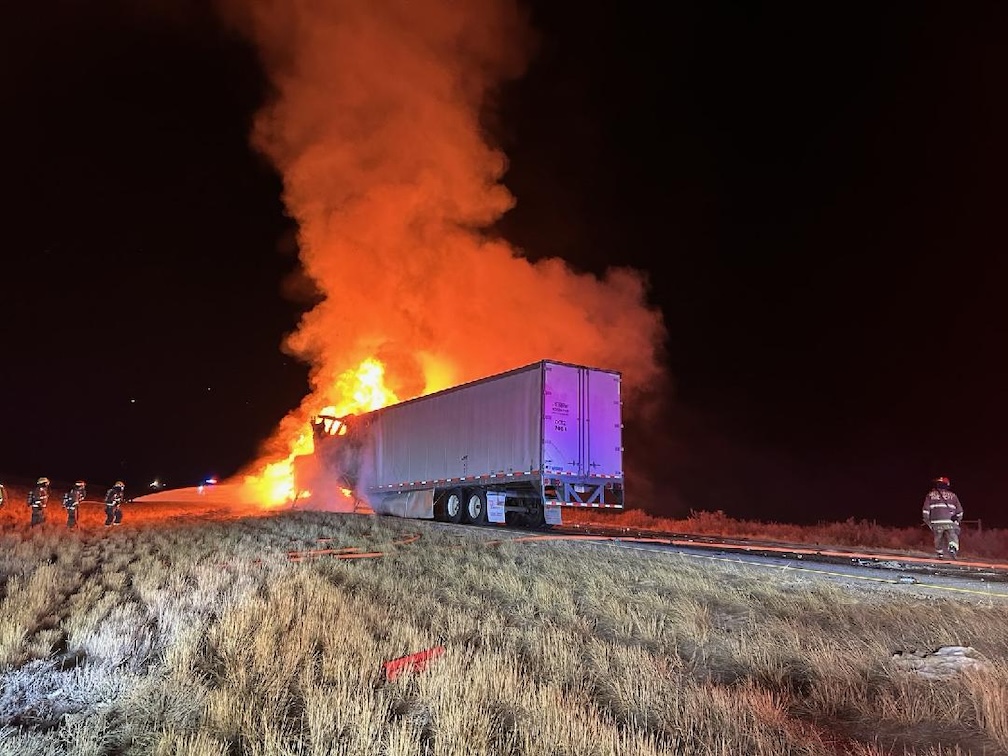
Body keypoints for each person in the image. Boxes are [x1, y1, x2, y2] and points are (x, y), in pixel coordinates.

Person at [922, 476, 964, 559]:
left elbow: (925, 510)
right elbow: (960, 511)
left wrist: (927, 521)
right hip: (950, 522)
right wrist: (957, 521)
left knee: (938, 537)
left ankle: (940, 553)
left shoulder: (930, 495)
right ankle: (952, 547)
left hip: (936, 522)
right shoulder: (953, 496)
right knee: (953, 535)